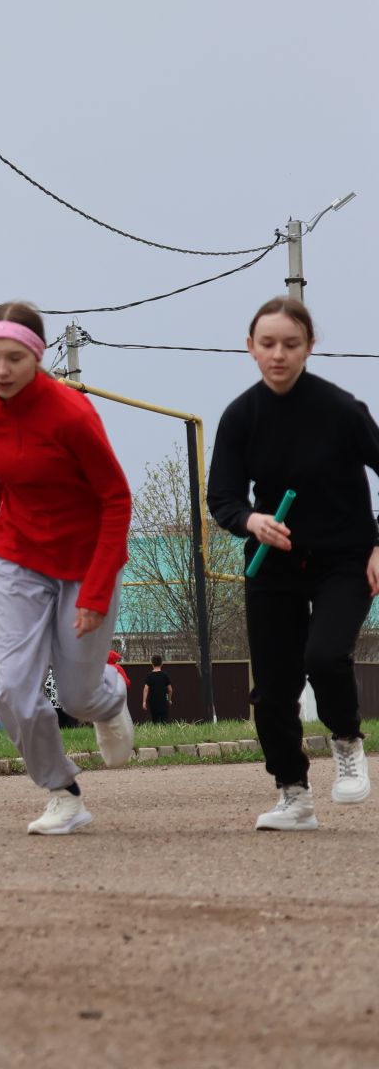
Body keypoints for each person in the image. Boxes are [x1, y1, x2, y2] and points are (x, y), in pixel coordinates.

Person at [0, 303, 135, 836]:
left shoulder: (71, 414)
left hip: (86, 560)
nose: (1, 370)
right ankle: (62, 791)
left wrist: (97, 590)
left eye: (13, 358)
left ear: (37, 356)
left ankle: (109, 694)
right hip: (17, 559)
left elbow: (117, 499)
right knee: (11, 693)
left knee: (76, 695)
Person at [207, 296, 378, 832]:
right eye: (267, 344)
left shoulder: (342, 411)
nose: (278, 354)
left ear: (309, 347)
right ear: (250, 347)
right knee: (274, 687)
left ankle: (347, 740)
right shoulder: (241, 416)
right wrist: (251, 521)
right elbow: (223, 497)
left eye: (290, 344)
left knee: (325, 656)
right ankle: (293, 794)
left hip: (346, 557)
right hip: (273, 560)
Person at [141, 657, 174, 724]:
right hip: (163, 701)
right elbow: (170, 689)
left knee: (155, 720)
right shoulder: (164, 675)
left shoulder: (149, 676)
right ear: (161, 664)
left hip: (153, 702)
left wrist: (144, 701)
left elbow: (146, 689)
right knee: (164, 721)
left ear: (152, 664)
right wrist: (169, 699)